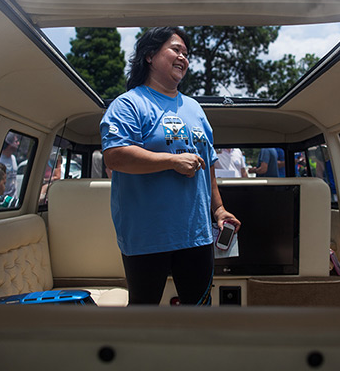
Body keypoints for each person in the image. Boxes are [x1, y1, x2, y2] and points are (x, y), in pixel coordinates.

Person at [100, 27, 240, 306]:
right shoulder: (129, 104)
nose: (183, 58)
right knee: (144, 313)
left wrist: (219, 209)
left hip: (197, 234)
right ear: (150, 55)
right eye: (175, 49)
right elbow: (114, 156)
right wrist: (171, 161)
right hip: (146, 236)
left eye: (186, 54)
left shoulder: (195, 108)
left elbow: (208, 163)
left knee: (199, 311)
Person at [0, 132, 20, 197]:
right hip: (2, 199)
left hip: (13, 198)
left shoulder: (13, 158)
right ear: (9, 144)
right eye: (16, 142)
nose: (18, 143)